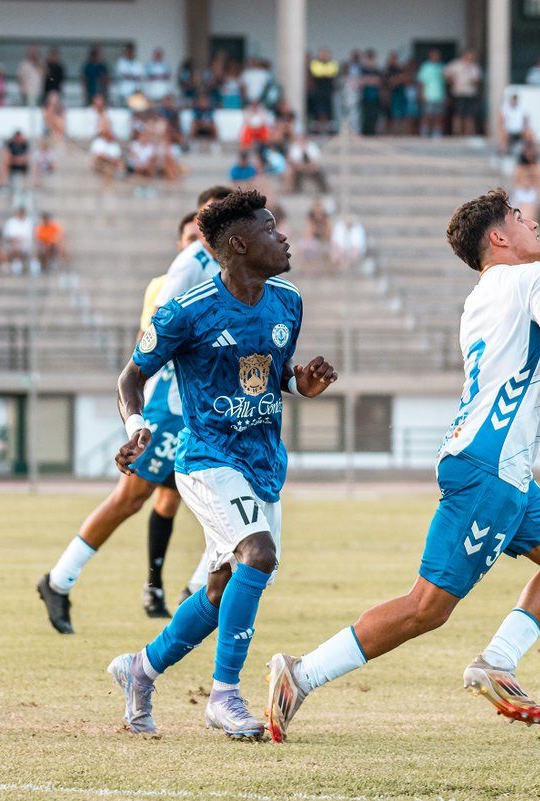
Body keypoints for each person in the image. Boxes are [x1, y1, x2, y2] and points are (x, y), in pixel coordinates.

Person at [263, 188, 540, 742]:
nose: (531, 222)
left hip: (496, 466)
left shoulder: (481, 300)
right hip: (490, 470)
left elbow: (524, 388)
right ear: (498, 237)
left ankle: (497, 663)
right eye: (518, 217)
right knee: (426, 607)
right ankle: (301, 674)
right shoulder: (538, 279)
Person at [103, 189, 338, 738]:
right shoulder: (186, 311)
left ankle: (140, 669)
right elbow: (131, 378)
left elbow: (267, 371)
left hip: (263, 461)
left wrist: (299, 383)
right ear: (237, 244)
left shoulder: (288, 301)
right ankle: (224, 696)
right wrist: (136, 429)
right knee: (258, 555)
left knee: (219, 588)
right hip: (207, 458)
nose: (282, 237)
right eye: (270, 228)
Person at [38, 188, 232, 634]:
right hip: (172, 405)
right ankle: (59, 580)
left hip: (205, 405)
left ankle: (192, 591)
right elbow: (159, 332)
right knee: (132, 498)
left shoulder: (225, 266)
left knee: (212, 495)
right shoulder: (187, 268)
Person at [445, 49, 483, 137]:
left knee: (470, 115)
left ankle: (468, 133)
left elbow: (478, 79)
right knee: (458, 114)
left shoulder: (474, 67)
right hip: (458, 93)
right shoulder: (456, 65)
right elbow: (446, 74)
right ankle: (457, 133)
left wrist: (475, 82)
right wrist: (452, 81)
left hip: (470, 93)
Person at [417, 49, 446, 138]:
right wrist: (421, 94)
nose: (436, 57)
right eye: (434, 55)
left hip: (439, 95)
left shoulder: (442, 67)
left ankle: (436, 132)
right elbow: (421, 82)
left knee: (438, 115)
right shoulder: (425, 67)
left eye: (437, 55)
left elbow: (445, 82)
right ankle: (424, 132)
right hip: (428, 95)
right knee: (427, 114)